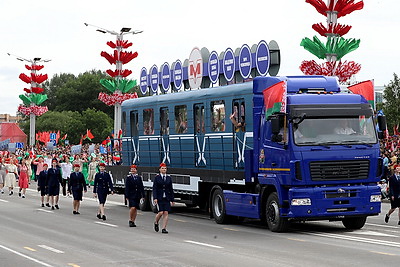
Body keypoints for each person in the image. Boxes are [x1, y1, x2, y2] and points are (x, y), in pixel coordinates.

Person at [153, 163, 174, 234]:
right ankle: (156, 222)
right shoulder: (157, 178)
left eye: (165, 168)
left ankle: (164, 228)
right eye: (162, 168)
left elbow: (171, 189)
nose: (164, 170)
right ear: (159, 169)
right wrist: (155, 198)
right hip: (159, 198)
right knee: (160, 212)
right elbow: (155, 188)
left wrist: (172, 199)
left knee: (166, 212)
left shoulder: (168, 178)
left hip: (167, 198)